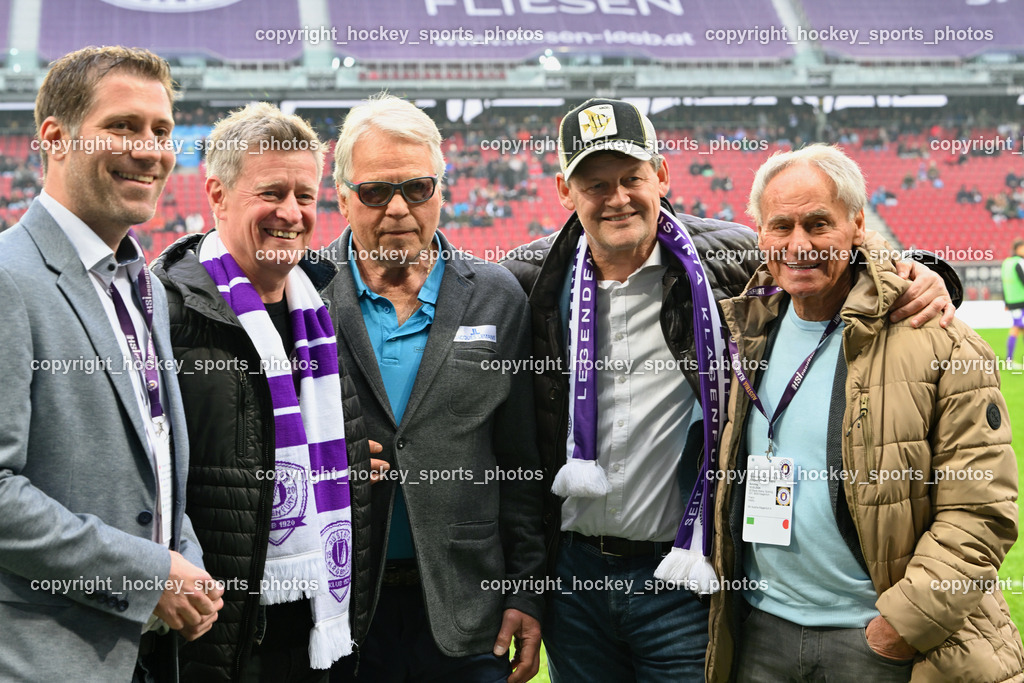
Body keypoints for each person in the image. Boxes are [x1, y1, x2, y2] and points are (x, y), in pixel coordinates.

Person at [501, 99, 959, 683]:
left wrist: (928, 274)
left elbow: (822, 257)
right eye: (595, 185)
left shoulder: (726, 259)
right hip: (573, 579)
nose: (617, 198)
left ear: (662, 175)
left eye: (631, 178)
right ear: (565, 192)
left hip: (685, 573)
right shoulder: (530, 279)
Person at [707, 144, 1023, 682]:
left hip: (874, 643)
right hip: (760, 633)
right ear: (759, 233)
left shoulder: (941, 341)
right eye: (781, 226)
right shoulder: (746, 330)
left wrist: (899, 628)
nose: (799, 245)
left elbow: (982, 508)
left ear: (857, 225)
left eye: (818, 224)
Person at [0, 46, 222, 682]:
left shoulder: (139, 281)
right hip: (43, 659)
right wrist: (148, 574)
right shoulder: (9, 278)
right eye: (123, 127)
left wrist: (182, 559)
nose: (150, 151)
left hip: (143, 653)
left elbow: (151, 457)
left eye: (161, 131)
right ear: (55, 138)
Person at [324, 94, 545, 683]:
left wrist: (527, 589)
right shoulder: (303, 294)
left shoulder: (497, 296)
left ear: (441, 192)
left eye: (417, 188)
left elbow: (521, 463)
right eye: (376, 191)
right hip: (338, 608)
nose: (398, 208)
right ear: (342, 197)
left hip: (467, 609)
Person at [152, 103, 374, 681]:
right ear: (217, 195)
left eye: (305, 195)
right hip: (212, 642)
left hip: (318, 635)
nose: (291, 213)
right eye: (271, 193)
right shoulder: (165, 315)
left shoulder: (323, 312)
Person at [1002, 238, 1024, 367]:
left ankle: (1009, 360)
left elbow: (1004, 283)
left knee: (1019, 327)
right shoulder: (1019, 262)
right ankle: (1009, 360)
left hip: (1012, 301)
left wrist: (1006, 301)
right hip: (1020, 301)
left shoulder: (1006, 262)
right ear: (1018, 249)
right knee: (1016, 327)